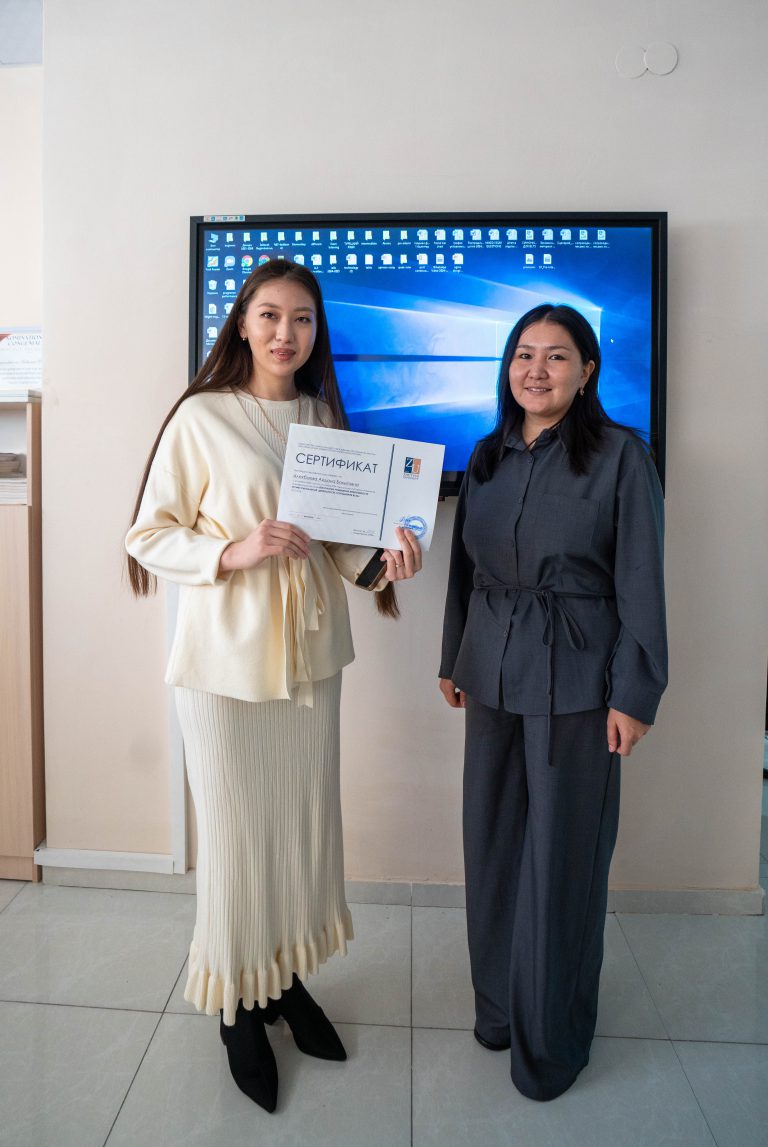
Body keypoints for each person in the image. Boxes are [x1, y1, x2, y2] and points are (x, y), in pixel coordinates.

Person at [125, 259, 422, 1114]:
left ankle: (281, 978)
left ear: (316, 330)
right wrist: (234, 549)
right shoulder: (203, 415)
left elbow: (341, 544)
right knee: (234, 840)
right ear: (242, 322)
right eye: (268, 315)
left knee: (297, 830)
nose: (285, 333)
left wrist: (388, 560)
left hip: (312, 662)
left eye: (301, 318)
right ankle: (235, 1005)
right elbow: (149, 533)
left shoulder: (323, 417)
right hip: (224, 664)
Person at [439, 303, 667, 1102]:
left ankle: (553, 1042)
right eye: (524, 354)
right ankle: (500, 1011)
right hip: (491, 672)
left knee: (562, 860)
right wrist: (452, 656)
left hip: (579, 679)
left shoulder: (622, 456)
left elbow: (642, 578)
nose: (537, 370)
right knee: (492, 846)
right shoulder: (488, 454)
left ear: (587, 370)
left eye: (557, 355)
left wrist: (634, 693)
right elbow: (464, 570)